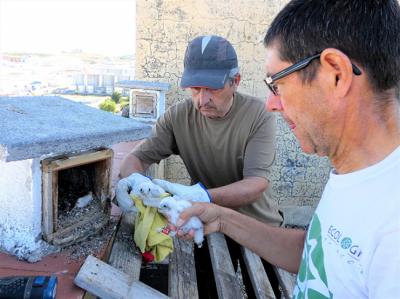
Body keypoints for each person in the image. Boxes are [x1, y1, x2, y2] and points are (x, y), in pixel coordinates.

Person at [174, 1, 400, 298]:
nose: (272, 103)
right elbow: (316, 252)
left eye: (277, 84)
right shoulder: (356, 174)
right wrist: (222, 218)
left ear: (336, 74)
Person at [118, 35, 283, 226]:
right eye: (195, 89)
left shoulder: (259, 115)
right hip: (202, 223)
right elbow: (135, 158)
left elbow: (255, 185)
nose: (202, 100)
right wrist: (136, 182)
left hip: (256, 227)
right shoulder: (177, 116)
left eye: (213, 88)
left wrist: (198, 196)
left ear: (235, 81)